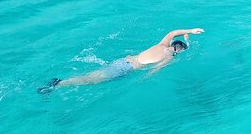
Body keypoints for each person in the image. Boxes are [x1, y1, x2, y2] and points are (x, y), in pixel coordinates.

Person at [37, 28, 204, 93]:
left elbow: (173, 32)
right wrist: (143, 80)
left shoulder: (162, 44)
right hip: (126, 69)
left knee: (94, 75)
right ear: (179, 50)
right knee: (91, 81)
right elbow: (155, 71)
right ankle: (58, 84)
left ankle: (61, 82)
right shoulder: (169, 56)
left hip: (123, 60)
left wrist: (189, 31)